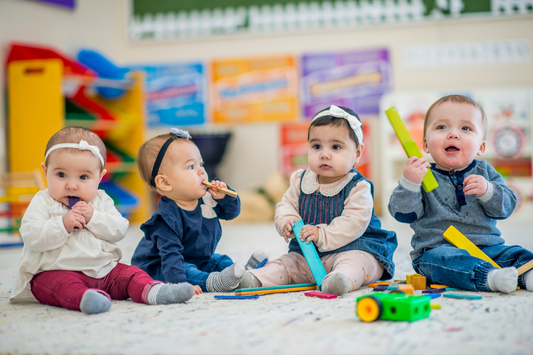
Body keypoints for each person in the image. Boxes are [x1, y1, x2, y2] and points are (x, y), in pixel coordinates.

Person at [11, 127, 194, 314]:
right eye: (61, 175)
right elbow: (31, 236)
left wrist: (93, 217)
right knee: (58, 286)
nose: (71, 185)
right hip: (56, 271)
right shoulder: (43, 201)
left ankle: (154, 291)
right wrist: (62, 225)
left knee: (130, 274)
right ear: (45, 170)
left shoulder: (101, 200)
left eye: (83, 177)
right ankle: (87, 298)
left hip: (104, 270)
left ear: (100, 177)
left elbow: (119, 230)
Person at [238, 105, 398, 295]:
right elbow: (286, 205)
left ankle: (341, 280)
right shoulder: (301, 180)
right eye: (316, 146)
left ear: (357, 153)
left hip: (353, 248)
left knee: (360, 263)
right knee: (286, 264)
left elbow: (354, 223)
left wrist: (321, 234)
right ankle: (258, 278)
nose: (324, 154)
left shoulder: (358, 187)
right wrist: (286, 221)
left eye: (336, 147)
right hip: (307, 255)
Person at [388, 94, 533, 293]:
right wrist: (410, 183)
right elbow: (403, 214)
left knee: (516, 253)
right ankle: (489, 278)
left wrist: (488, 191)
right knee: (439, 261)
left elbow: (507, 207)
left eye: (466, 128)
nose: (453, 134)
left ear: (481, 146)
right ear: (426, 145)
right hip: (438, 251)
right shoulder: (421, 175)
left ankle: (527, 273)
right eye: (441, 127)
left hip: (487, 249)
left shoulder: (485, 172)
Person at [131, 128, 267, 294]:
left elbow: (231, 213)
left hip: (199, 258)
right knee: (188, 270)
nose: (202, 171)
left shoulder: (207, 198)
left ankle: (244, 275)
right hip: (162, 267)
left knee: (221, 261)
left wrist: (224, 198)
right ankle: (214, 282)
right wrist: (180, 286)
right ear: (165, 183)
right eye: (191, 166)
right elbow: (171, 257)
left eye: (201, 164)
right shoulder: (166, 220)